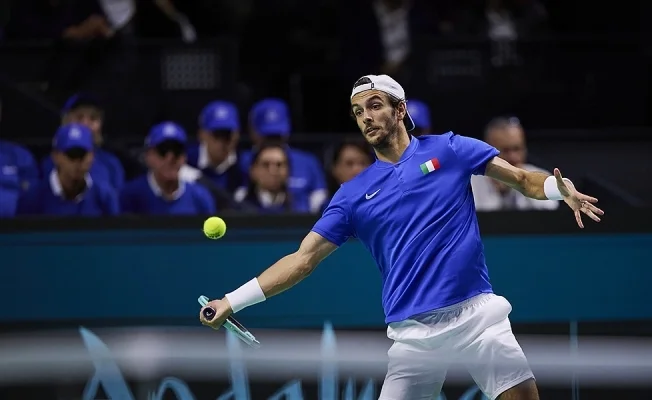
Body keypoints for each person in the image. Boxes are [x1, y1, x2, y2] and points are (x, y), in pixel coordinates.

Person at [199, 75, 603, 400]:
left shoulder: (450, 149)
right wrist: (231, 301)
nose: (366, 117)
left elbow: (522, 180)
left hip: (477, 316)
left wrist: (559, 189)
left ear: (400, 110)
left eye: (375, 105)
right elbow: (302, 259)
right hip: (414, 337)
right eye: (359, 112)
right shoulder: (352, 195)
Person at [17, 123, 119, 216]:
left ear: (92, 156)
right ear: (56, 157)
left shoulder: (104, 196)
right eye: (72, 155)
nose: (77, 162)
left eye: (82, 155)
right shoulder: (33, 197)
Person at [120, 122, 215, 215]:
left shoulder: (199, 197)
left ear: (184, 158)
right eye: (163, 150)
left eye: (177, 151)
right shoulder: (130, 195)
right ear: (148, 156)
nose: (170, 158)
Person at [471, 117, 559, 211]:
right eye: (505, 150)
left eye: (517, 149)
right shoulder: (469, 183)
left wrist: (523, 184)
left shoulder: (543, 179)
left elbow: (549, 213)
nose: (513, 158)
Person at [234, 144, 307, 214]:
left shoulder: (301, 208)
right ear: (253, 171)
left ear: (288, 170)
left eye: (279, 165)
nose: (273, 171)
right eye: (266, 164)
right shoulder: (238, 209)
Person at [320, 138, 373, 210]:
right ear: (335, 169)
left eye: (363, 163)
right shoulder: (328, 208)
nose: (358, 170)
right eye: (349, 164)